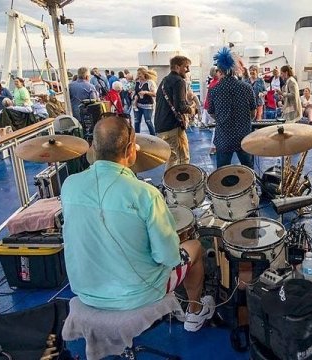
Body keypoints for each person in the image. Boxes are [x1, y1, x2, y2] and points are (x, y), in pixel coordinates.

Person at [61, 115, 215, 332]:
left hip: (85, 291)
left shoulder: (69, 185)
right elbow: (168, 257)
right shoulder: (146, 194)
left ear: (93, 148)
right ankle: (195, 311)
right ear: (131, 150)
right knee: (195, 247)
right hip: (140, 295)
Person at [208, 47, 256, 168]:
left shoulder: (214, 90)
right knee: (248, 169)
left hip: (224, 137)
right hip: (243, 136)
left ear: (220, 70)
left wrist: (222, 118)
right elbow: (253, 113)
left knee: (222, 173)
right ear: (234, 69)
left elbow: (212, 113)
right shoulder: (246, 87)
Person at [154, 56, 194, 169]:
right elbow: (180, 106)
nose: (188, 70)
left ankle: (169, 185)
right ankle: (181, 185)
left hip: (161, 125)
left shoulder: (164, 80)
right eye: (186, 67)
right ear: (177, 67)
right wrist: (191, 109)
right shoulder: (179, 81)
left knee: (172, 158)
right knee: (182, 159)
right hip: (173, 127)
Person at [134, 67, 157, 135]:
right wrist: (134, 95)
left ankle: (153, 137)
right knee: (136, 122)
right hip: (138, 105)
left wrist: (146, 92)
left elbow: (154, 94)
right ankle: (137, 136)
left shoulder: (150, 82)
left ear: (144, 74)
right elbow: (135, 92)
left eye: (140, 74)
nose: (138, 75)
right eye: (138, 74)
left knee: (148, 121)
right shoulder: (137, 82)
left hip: (148, 106)